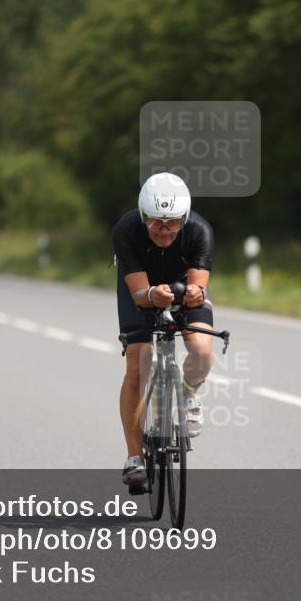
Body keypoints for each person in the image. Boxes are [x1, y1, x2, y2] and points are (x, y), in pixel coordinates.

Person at [112, 172, 216, 489]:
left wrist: (196, 294)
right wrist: (151, 297)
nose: (164, 229)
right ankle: (134, 459)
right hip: (141, 290)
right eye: (156, 221)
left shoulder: (199, 230)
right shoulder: (127, 230)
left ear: (184, 218)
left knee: (201, 351)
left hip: (182, 286)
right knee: (138, 364)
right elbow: (139, 293)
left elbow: (199, 284)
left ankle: (187, 395)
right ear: (143, 217)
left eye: (172, 221)